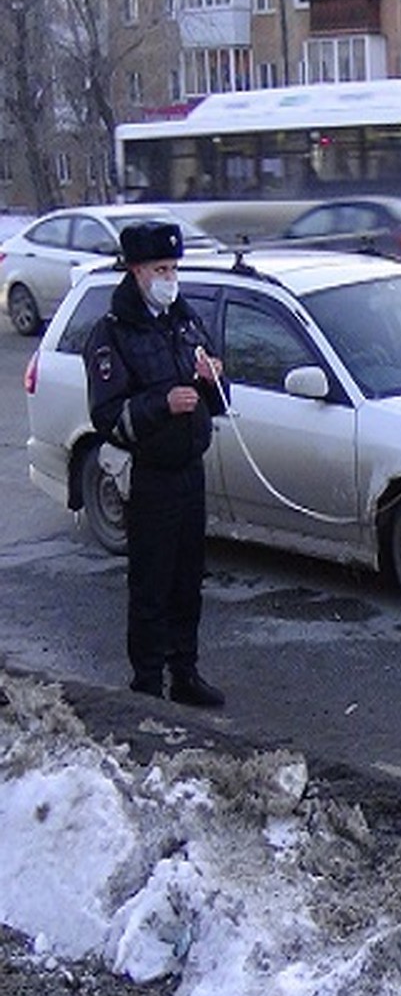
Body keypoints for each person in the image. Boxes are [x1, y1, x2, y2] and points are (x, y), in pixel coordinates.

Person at [84, 222, 228, 707]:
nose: (170, 277)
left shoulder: (183, 319)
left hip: (190, 469)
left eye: (174, 268)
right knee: (151, 584)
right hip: (149, 476)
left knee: (189, 579)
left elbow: (212, 389)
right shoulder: (113, 333)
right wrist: (162, 403)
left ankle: (184, 672)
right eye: (161, 269)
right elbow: (107, 416)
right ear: (136, 270)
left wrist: (211, 378)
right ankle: (146, 686)